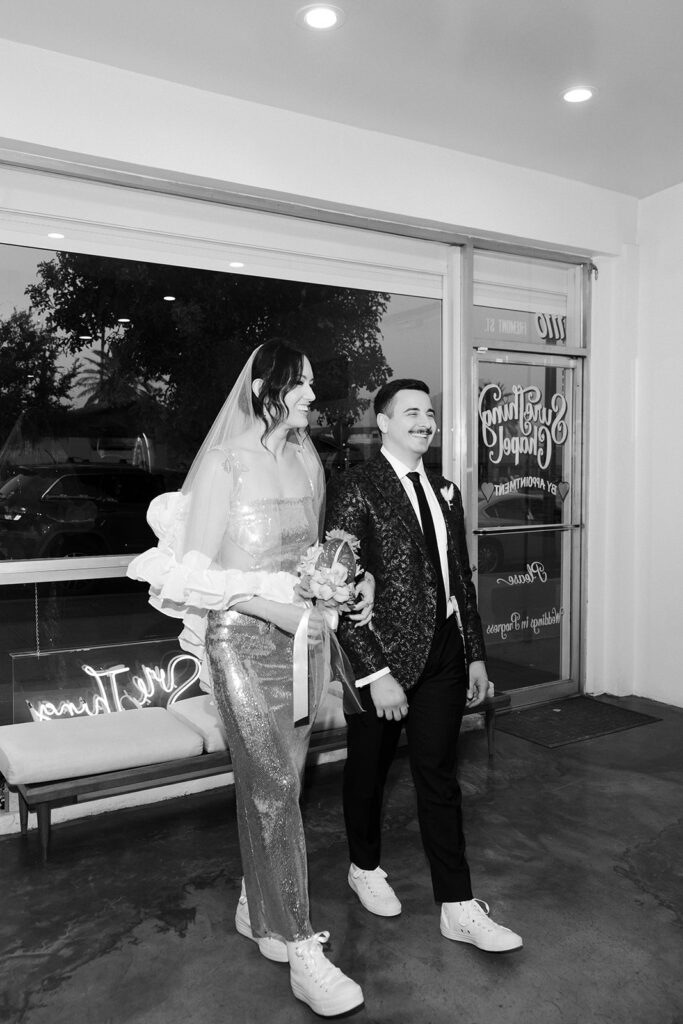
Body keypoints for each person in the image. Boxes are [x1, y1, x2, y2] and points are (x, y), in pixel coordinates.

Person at [128, 340, 371, 1016]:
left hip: (303, 645)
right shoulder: (223, 463)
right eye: (301, 385)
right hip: (240, 643)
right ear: (265, 387)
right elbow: (190, 572)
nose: (310, 397)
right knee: (271, 790)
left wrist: (339, 586)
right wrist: (279, 610)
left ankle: (254, 904)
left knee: (282, 784)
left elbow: (312, 554)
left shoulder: (304, 456)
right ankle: (299, 947)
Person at [325, 378, 523, 953]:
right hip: (380, 657)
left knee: (438, 776)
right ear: (382, 423)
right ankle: (363, 866)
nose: (424, 420)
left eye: (430, 412)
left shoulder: (446, 490)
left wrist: (475, 653)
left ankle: (457, 905)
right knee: (368, 771)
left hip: (444, 654)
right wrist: (374, 673)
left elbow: (460, 578)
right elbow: (337, 589)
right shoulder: (356, 486)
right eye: (410, 412)